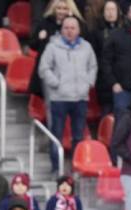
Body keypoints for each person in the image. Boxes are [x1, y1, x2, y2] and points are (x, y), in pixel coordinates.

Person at [39, 16, 97, 173]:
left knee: (78, 136)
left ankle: (76, 168)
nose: (69, 31)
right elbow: (44, 68)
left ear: (78, 30)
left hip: (80, 98)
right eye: (66, 28)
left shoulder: (87, 47)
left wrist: (88, 83)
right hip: (59, 98)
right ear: (61, 29)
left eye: (73, 28)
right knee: (56, 135)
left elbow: (93, 67)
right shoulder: (52, 47)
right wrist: (56, 84)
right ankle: (56, 169)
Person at [88, 0, 123, 113]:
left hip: (122, 78)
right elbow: (93, 55)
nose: (110, 13)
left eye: (113, 9)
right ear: (103, 13)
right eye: (107, 10)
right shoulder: (95, 32)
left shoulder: (125, 31)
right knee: (106, 111)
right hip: (103, 78)